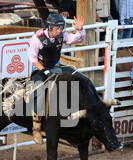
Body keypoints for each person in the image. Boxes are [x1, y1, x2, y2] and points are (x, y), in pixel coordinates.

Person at [28, 13, 99, 144]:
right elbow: (32, 58)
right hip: (40, 68)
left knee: (80, 77)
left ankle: (92, 106)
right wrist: (44, 70)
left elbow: (76, 39)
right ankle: (36, 128)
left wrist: (79, 30)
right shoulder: (37, 39)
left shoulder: (61, 36)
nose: (60, 31)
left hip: (56, 65)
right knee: (38, 90)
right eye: (57, 28)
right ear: (49, 27)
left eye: (61, 28)